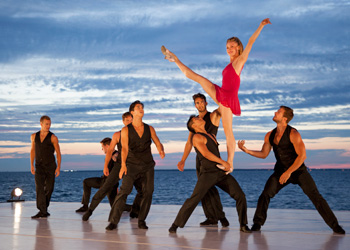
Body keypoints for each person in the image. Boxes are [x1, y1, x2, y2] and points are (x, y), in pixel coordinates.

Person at [162, 18, 271, 170]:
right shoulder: (230, 63)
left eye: (232, 46)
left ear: (239, 47)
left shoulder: (240, 61)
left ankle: (230, 164)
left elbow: (251, 42)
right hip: (221, 92)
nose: (229, 48)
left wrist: (260, 26)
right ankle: (175, 59)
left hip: (228, 99)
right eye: (227, 46)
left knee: (228, 132)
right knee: (198, 78)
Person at [237, 106, 346, 234]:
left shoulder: (294, 134)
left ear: (284, 118)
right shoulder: (269, 135)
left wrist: (289, 172)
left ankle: (335, 226)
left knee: (316, 196)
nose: (274, 113)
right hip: (280, 171)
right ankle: (257, 224)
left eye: (278, 112)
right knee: (265, 194)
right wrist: (247, 150)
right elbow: (263, 154)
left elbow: (302, 156)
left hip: (298, 171)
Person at [169, 116, 251, 233]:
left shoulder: (211, 135)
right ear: (194, 125)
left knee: (240, 195)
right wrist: (223, 162)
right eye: (197, 118)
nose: (199, 118)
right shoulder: (197, 137)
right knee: (194, 199)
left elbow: (215, 153)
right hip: (208, 174)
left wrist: (225, 165)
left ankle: (243, 225)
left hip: (220, 172)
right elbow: (206, 154)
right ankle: (175, 225)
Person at [106, 100, 165, 230]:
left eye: (142, 107)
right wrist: (123, 166)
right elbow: (125, 149)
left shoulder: (150, 128)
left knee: (148, 191)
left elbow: (157, 141)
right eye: (138, 107)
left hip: (147, 165)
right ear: (132, 112)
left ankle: (141, 219)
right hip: (131, 165)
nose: (141, 109)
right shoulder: (126, 130)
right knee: (124, 191)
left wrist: (161, 149)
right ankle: (113, 221)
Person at [178, 93, 229, 227]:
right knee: (204, 190)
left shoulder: (212, 116)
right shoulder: (194, 122)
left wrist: (217, 93)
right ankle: (211, 217)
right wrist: (183, 159)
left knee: (212, 188)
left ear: (206, 102)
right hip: (201, 159)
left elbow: (222, 108)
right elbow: (189, 142)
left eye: (202, 102)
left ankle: (221, 216)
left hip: (212, 156)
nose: (200, 105)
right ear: (195, 105)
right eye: (197, 103)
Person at [81, 112, 136, 220]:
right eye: (127, 120)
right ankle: (90, 210)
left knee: (139, 190)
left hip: (132, 165)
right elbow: (112, 152)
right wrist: (106, 166)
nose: (129, 122)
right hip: (119, 166)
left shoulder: (137, 134)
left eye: (131, 120)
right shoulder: (118, 135)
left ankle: (136, 209)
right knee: (104, 190)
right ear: (123, 122)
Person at [75, 137, 120, 213]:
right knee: (116, 206)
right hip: (109, 183)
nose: (102, 149)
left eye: (102, 147)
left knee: (86, 182)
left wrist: (116, 184)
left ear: (107, 146)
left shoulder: (115, 155)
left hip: (106, 183)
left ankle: (85, 206)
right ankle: (85, 206)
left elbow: (119, 167)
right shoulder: (112, 154)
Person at [30, 115, 61, 219]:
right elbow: (32, 150)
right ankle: (42, 210)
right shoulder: (34, 136)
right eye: (46, 124)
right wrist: (31, 164)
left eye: (50, 124)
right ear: (41, 124)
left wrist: (58, 167)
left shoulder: (53, 137)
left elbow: (58, 153)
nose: (48, 126)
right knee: (39, 188)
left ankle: (44, 209)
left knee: (49, 188)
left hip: (50, 166)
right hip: (38, 166)